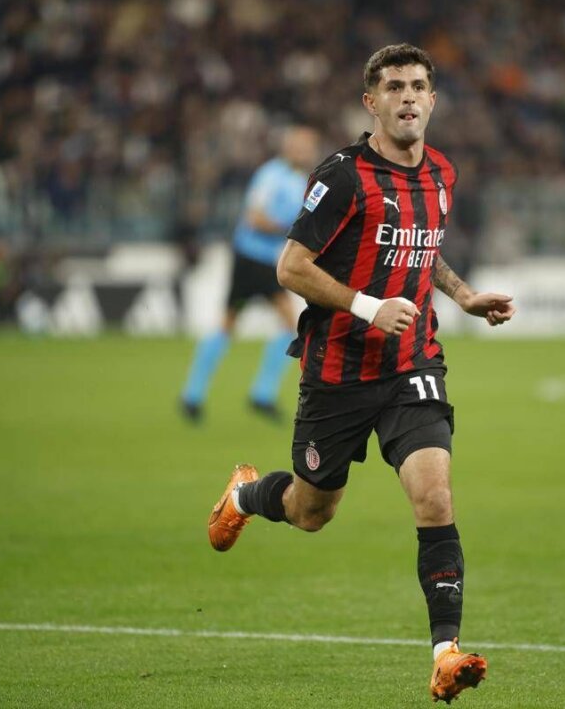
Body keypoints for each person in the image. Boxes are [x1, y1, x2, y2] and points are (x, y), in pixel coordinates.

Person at [206, 44, 515, 703]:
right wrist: (370, 307)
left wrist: (463, 297)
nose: (408, 97)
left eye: (419, 86)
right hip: (338, 371)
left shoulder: (442, 173)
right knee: (311, 511)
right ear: (371, 102)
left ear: (433, 100)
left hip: (412, 364)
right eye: (395, 87)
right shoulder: (343, 175)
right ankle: (245, 497)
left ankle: (445, 654)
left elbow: (425, 251)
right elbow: (291, 266)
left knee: (435, 497)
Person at [180, 125, 321, 422]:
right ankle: (257, 393)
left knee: (237, 324)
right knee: (285, 324)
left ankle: (196, 395)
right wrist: (293, 231)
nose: (304, 151)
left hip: (266, 261)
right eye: (300, 145)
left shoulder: (301, 180)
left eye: (308, 147)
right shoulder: (271, 175)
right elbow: (254, 217)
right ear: (288, 147)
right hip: (251, 258)